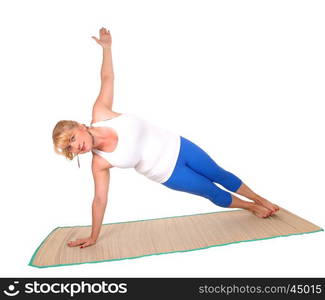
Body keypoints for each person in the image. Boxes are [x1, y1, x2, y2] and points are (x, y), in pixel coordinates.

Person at [52, 27, 279, 249]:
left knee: (219, 173)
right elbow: (99, 200)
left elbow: (107, 77)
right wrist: (93, 236)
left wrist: (107, 48)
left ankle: (261, 200)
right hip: (169, 173)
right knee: (212, 192)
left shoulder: (101, 113)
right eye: (70, 149)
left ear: (80, 126)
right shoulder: (99, 162)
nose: (76, 146)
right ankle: (250, 207)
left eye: (72, 138)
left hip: (180, 146)